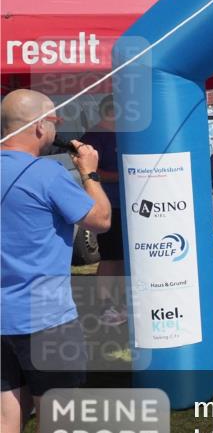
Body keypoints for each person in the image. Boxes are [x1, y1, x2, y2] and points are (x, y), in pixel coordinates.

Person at [1, 89, 111, 433]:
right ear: (40, 128)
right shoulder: (48, 175)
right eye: (54, 121)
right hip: (47, 320)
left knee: (6, 417)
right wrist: (90, 173)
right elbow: (100, 219)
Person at [79, 95, 126, 327]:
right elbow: (91, 173)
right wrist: (125, 176)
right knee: (110, 257)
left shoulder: (119, 134)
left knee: (122, 257)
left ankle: (119, 303)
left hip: (126, 205)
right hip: (108, 204)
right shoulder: (93, 138)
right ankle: (105, 305)